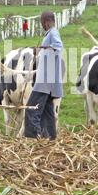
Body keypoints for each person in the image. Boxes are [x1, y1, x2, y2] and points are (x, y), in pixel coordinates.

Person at [24, 12, 63, 140]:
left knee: (31, 109)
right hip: (49, 80)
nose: (42, 26)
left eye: (42, 23)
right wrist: (41, 50)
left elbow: (58, 46)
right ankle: (50, 138)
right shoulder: (51, 33)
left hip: (45, 80)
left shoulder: (53, 32)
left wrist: (43, 47)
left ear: (46, 21)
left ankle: (33, 138)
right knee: (47, 111)